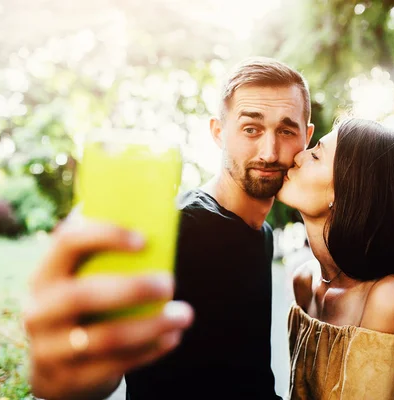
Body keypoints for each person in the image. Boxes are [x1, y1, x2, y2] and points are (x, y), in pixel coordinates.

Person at [23, 57, 314, 400]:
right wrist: (66, 372)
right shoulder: (179, 229)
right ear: (218, 132)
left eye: (286, 130)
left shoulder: (261, 234)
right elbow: (98, 362)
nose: (269, 152)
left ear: (306, 137)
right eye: (251, 129)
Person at [277, 118, 394, 400]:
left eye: (315, 154)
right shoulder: (304, 281)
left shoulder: (388, 297)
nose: (299, 155)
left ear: (346, 192)